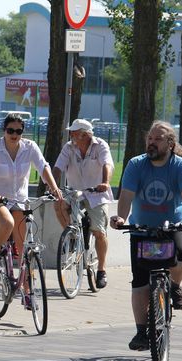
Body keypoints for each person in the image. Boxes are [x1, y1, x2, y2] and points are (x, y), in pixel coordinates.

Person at [109, 120, 182, 351]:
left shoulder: (181, 166)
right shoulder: (136, 164)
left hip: (174, 225)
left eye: (157, 139)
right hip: (142, 228)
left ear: (170, 144)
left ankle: (175, 285)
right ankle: (141, 331)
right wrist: (121, 218)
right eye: (149, 138)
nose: (151, 143)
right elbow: (126, 196)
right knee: (140, 281)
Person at [0, 113, 63, 308]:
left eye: (18, 131)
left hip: (19, 201)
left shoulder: (30, 147)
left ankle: (28, 293)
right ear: (4, 130)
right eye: (10, 130)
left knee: (25, 249)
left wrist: (53, 188)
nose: (14, 134)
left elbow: (43, 167)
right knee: (7, 223)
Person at [53, 118, 114, 289]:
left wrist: (105, 182)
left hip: (96, 193)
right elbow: (58, 167)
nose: (71, 134)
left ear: (85, 134)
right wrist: (53, 186)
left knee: (99, 232)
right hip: (75, 193)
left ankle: (101, 270)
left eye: (74, 132)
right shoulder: (68, 147)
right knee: (58, 204)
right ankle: (72, 235)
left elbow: (107, 164)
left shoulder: (100, 145)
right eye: (71, 132)